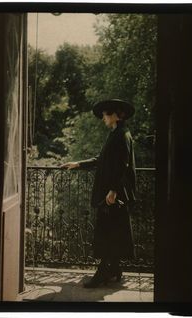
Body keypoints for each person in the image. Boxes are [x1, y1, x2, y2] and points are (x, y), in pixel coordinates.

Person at [61, 99, 136, 288]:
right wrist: (78, 164)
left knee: (107, 233)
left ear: (115, 115)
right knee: (113, 231)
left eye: (105, 114)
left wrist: (114, 190)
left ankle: (103, 273)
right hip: (111, 193)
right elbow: (101, 160)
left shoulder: (121, 135)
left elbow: (123, 165)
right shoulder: (116, 134)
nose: (103, 118)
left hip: (113, 194)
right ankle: (115, 270)